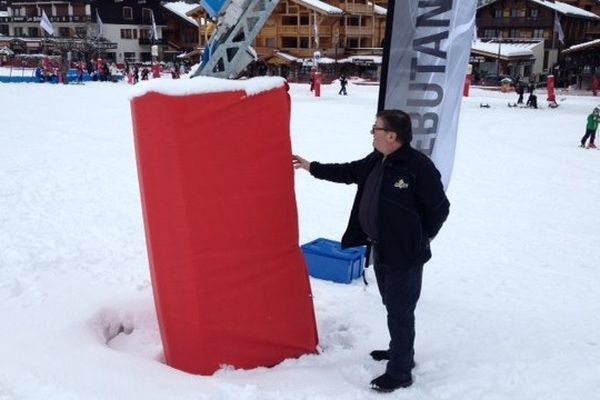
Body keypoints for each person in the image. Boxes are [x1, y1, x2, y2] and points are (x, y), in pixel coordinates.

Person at [293, 109, 450, 393]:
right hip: (381, 250)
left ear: (392, 135)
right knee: (392, 306)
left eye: (375, 129)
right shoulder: (378, 159)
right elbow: (348, 171)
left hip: (405, 255)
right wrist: (311, 167)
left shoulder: (418, 167)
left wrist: (419, 237)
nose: (372, 133)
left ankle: (401, 372)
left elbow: (440, 209)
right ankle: (401, 351)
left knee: (401, 311)